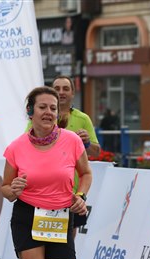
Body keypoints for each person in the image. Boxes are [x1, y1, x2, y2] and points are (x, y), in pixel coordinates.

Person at [1, 86, 92, 259]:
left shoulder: (71, 141)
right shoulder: (16, 147)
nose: (49, 112)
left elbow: (86, 174)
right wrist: (13, 189)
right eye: (42, 107)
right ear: (30, 112)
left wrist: (81, 196)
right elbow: (5, 188)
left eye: (53, 108)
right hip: (27, 217)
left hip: (60, 217)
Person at [52, 76, 100, 234]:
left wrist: (86, 143)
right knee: (43, 238)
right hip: (45, 189)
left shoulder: (83, 119)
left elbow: (96, 152)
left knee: (69, 239)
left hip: (72, 192)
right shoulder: (40, 117)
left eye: (66, 89)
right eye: (57, 89)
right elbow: (26, 144)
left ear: (73, 93)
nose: (61, 92)